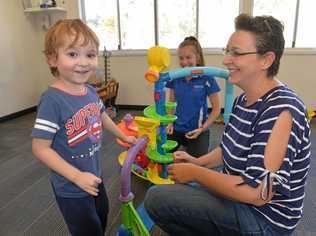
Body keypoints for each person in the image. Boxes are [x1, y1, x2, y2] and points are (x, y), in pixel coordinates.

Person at [145, 14, 311, 235]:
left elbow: (257, 193)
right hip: (239, 200)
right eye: (228, 51)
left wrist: (196, 173)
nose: (226, 60)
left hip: (263, 220)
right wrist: (198, 162)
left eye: (237, 53)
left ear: (266, 60)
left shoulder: (282, 111)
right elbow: (227, 150)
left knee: (157, 198)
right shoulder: (244, 100)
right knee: (171, 194)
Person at [31, 19, 136, 236]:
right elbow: (40, 148)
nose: (83, 62)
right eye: (72, 54)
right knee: (87, 230)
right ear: (52, 59)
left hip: (94, 177)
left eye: (90, 54)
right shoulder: (52, 100)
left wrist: (123, 136)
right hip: (71, 188)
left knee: (101, 218)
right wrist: (76, 177)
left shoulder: (88, 91)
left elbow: (103, 116)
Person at [166, 36, 221, 157]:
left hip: (197, 130)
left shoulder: (207, 78)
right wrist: (169, 123)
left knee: (196, 163)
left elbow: (216, 109)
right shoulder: (176, 78)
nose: (184, 62)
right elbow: (171, 103)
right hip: (176, 128)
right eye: (181, 58)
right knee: (161, 154)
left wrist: (202, 128)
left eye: (188, 57)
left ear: (198, 57)